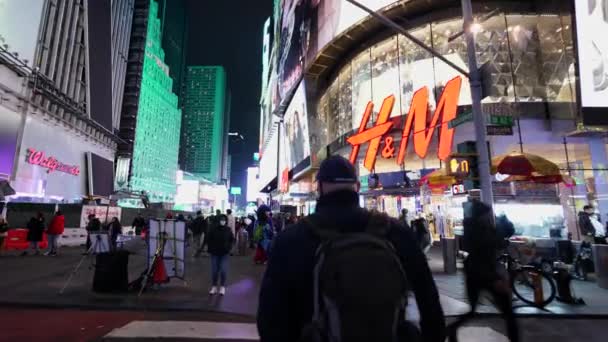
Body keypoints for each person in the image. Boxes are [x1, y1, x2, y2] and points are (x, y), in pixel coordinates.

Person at [257, 156, 445, 342]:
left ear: (319, 188)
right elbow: (430, 304)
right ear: (357, 187)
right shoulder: (395, 232)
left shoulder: (292, 238)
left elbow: (269, 318)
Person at [447, 200, 519, 342]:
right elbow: (496, 243)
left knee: (473, 311)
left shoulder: (473, 228)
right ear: (482, 215)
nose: (489, 216)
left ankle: (452, 328)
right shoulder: (482, 230)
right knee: (508, 313)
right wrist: (495, 279)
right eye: (487, 213)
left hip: (474, 274)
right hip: (487, 275)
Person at [206, 214, 234, 296]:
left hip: (224, 254)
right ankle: (214, 286)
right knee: (214, 271)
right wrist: (211, 248)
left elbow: (231, 239)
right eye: (221, 220)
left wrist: (228, 247)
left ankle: (222, 287)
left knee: (223, 271)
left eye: (224, 220)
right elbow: (208, 239)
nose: (223, 221)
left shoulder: (228, 229)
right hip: (214, 253)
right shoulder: (212, 229)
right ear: (218, 220)